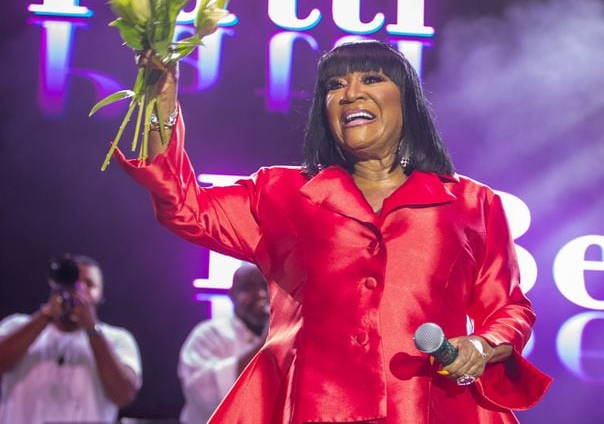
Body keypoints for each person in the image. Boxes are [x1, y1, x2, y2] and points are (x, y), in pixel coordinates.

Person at [117, 41, 551, 422]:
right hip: (308, 407)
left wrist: (483, 345)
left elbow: (509, 308)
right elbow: (185, 208)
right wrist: (161, 107)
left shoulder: (472, 204)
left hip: (429, 406)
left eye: (371, 78)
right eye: (334, 85)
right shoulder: (283, 193)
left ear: (408, 103)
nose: (350, 93)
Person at [0, 254, 142, 423]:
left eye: (89, 284)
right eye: (73, 282)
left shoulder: (118, 339)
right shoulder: (16, 325)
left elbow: (123, 395)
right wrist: (46, 316)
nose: (79, 290)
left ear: (100, 294)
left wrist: (91, 328)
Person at [178, 263, 270, 423]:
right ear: (232, 294)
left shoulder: (289, 339)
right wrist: (265, 343)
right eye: (248, 288)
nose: (261, 294)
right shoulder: (208, 335)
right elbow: (204, 394)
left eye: (266, 286)